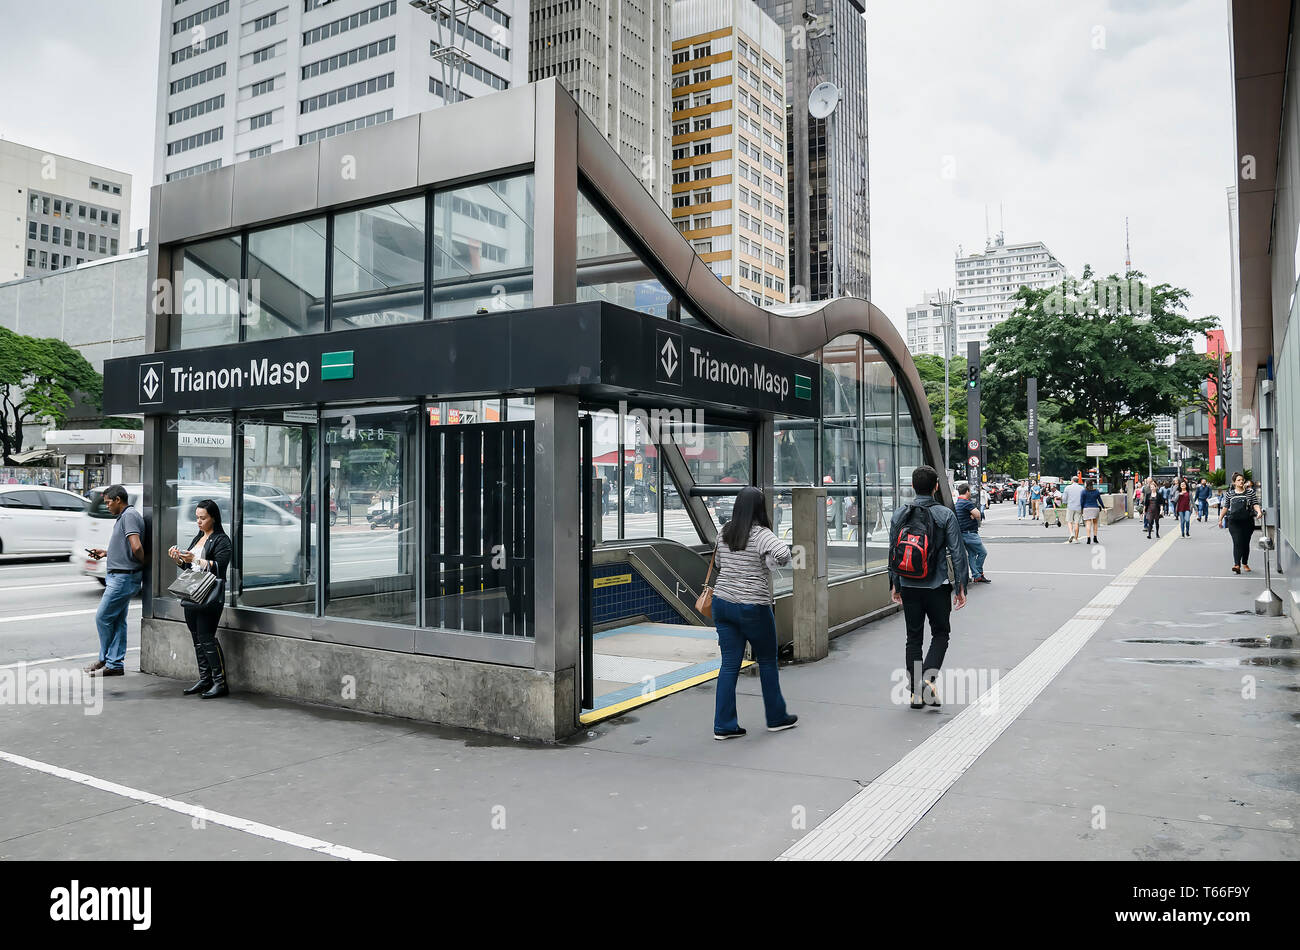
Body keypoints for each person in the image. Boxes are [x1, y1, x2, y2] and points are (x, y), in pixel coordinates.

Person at [708, 485, 797, 739]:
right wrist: (772, 561)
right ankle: (777, 717)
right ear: (760, 508)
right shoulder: (761, 534)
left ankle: (724, 725)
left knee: (729, 665)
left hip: (722, 602)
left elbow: (720, 563)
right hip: (752, 606)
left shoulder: (724, 531)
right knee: (768, 661)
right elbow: (783, 553)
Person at [888, 465, 970, 709]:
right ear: (935, 487)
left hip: (908, 584)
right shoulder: (945, 515)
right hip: (937, 585)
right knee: (940, 634)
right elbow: (958, 552)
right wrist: (961, 586)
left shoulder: (900, 513)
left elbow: (892, 551)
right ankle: (927, 679)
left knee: (913, 638)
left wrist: (895, 583)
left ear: (913, 486)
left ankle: (916, 693)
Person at [167, 499, 233, 698]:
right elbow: (191, 568)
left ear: (213, 518)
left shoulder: (222, 540)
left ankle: (220, 683)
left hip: (209, 595)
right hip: (192, 593)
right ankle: (205, 680)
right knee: (196, 637)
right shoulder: (198, 538)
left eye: (203, 518)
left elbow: (220, 567)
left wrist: (194, 559)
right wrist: (179, 559)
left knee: (206, 637)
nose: (199, 522)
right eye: (197, 518)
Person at [84, 485, 144, 677]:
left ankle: (105, 658)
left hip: (123, 578)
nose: (107, 506)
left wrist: (145, 562)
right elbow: (128, 547)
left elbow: (136, 546)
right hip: (119, 575)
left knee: (102, 617)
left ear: (118, 500)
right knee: (117, 620)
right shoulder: (125, 516)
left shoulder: (129, 516)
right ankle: (115, 664)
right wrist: (107, 553)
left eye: (109, 502)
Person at [1218, 472, 1262, 574]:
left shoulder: (1250, 492)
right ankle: (1236, 565)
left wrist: (1259, 512)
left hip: (1247, 522)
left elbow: (1255, 504)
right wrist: (1220, 519)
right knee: (1237, 542)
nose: (1241, 481)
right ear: (1234, 482)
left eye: (1242, 480)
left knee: (1245, 543)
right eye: (1238, 480)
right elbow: (1226, 507)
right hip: (1234, 522)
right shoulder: (1230, 494)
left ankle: (1245, 563)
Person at [954, 482, 990, 584]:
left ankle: (976, 576)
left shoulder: (958, 503)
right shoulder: (966, 503)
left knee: (972, 554)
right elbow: (978, 514)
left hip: (963, 533)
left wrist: (971, 515)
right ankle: (978, 573)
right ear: (967, 491)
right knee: (982, 553)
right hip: (970, 534)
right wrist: (973, 515)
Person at [1080, 479, 1106, 544]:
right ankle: (1095, 537)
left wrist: (1082, 509)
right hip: (1095, 508)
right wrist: (1103, 507)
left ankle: (1088, 538)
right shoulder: (1096, 491)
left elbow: (1081, 502)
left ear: (1086, 484)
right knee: (1095, 523)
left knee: (1088, 524)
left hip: (1087, 508)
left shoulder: (1083, 492)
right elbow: (1100, 500)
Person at [1062, 475, 1085, 543]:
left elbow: (1064, 498)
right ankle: (1076, 538)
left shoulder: (1067, 488)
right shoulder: (1082, 488)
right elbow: (1083, 498)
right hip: (1079, 507)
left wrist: (1065, 502)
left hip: (1070, 506)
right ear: (1078, 481)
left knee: (1069, 521)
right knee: (1077, 523)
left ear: (1072, 480)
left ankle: (1071, 533)